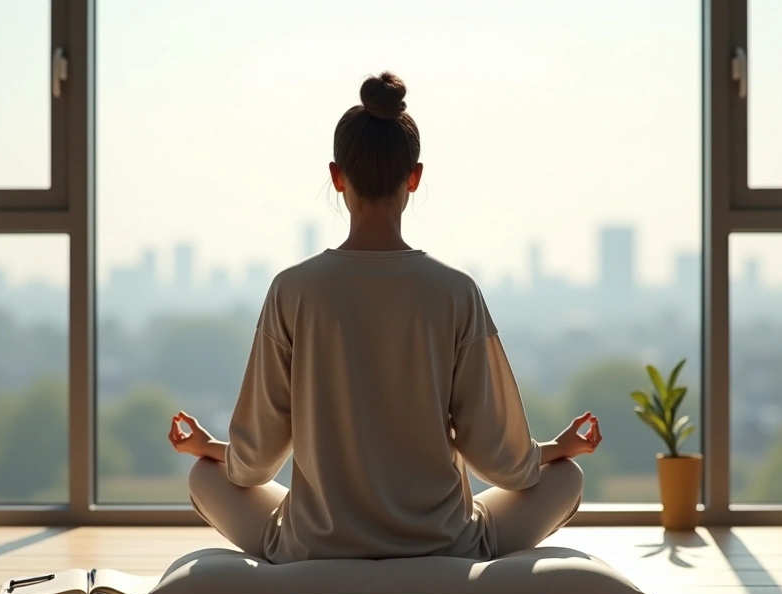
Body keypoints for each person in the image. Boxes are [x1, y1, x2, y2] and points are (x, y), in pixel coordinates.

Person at [168, 71, 603, 565]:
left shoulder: (292, 290)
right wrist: (554, 449)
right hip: (444, 544)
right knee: (568, 478)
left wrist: (211, 449)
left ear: (337, 176)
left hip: (313, 547)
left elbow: (252, 466)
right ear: (414, 177)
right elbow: (506, 463)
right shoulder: (455, 291)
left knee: (204, 476)